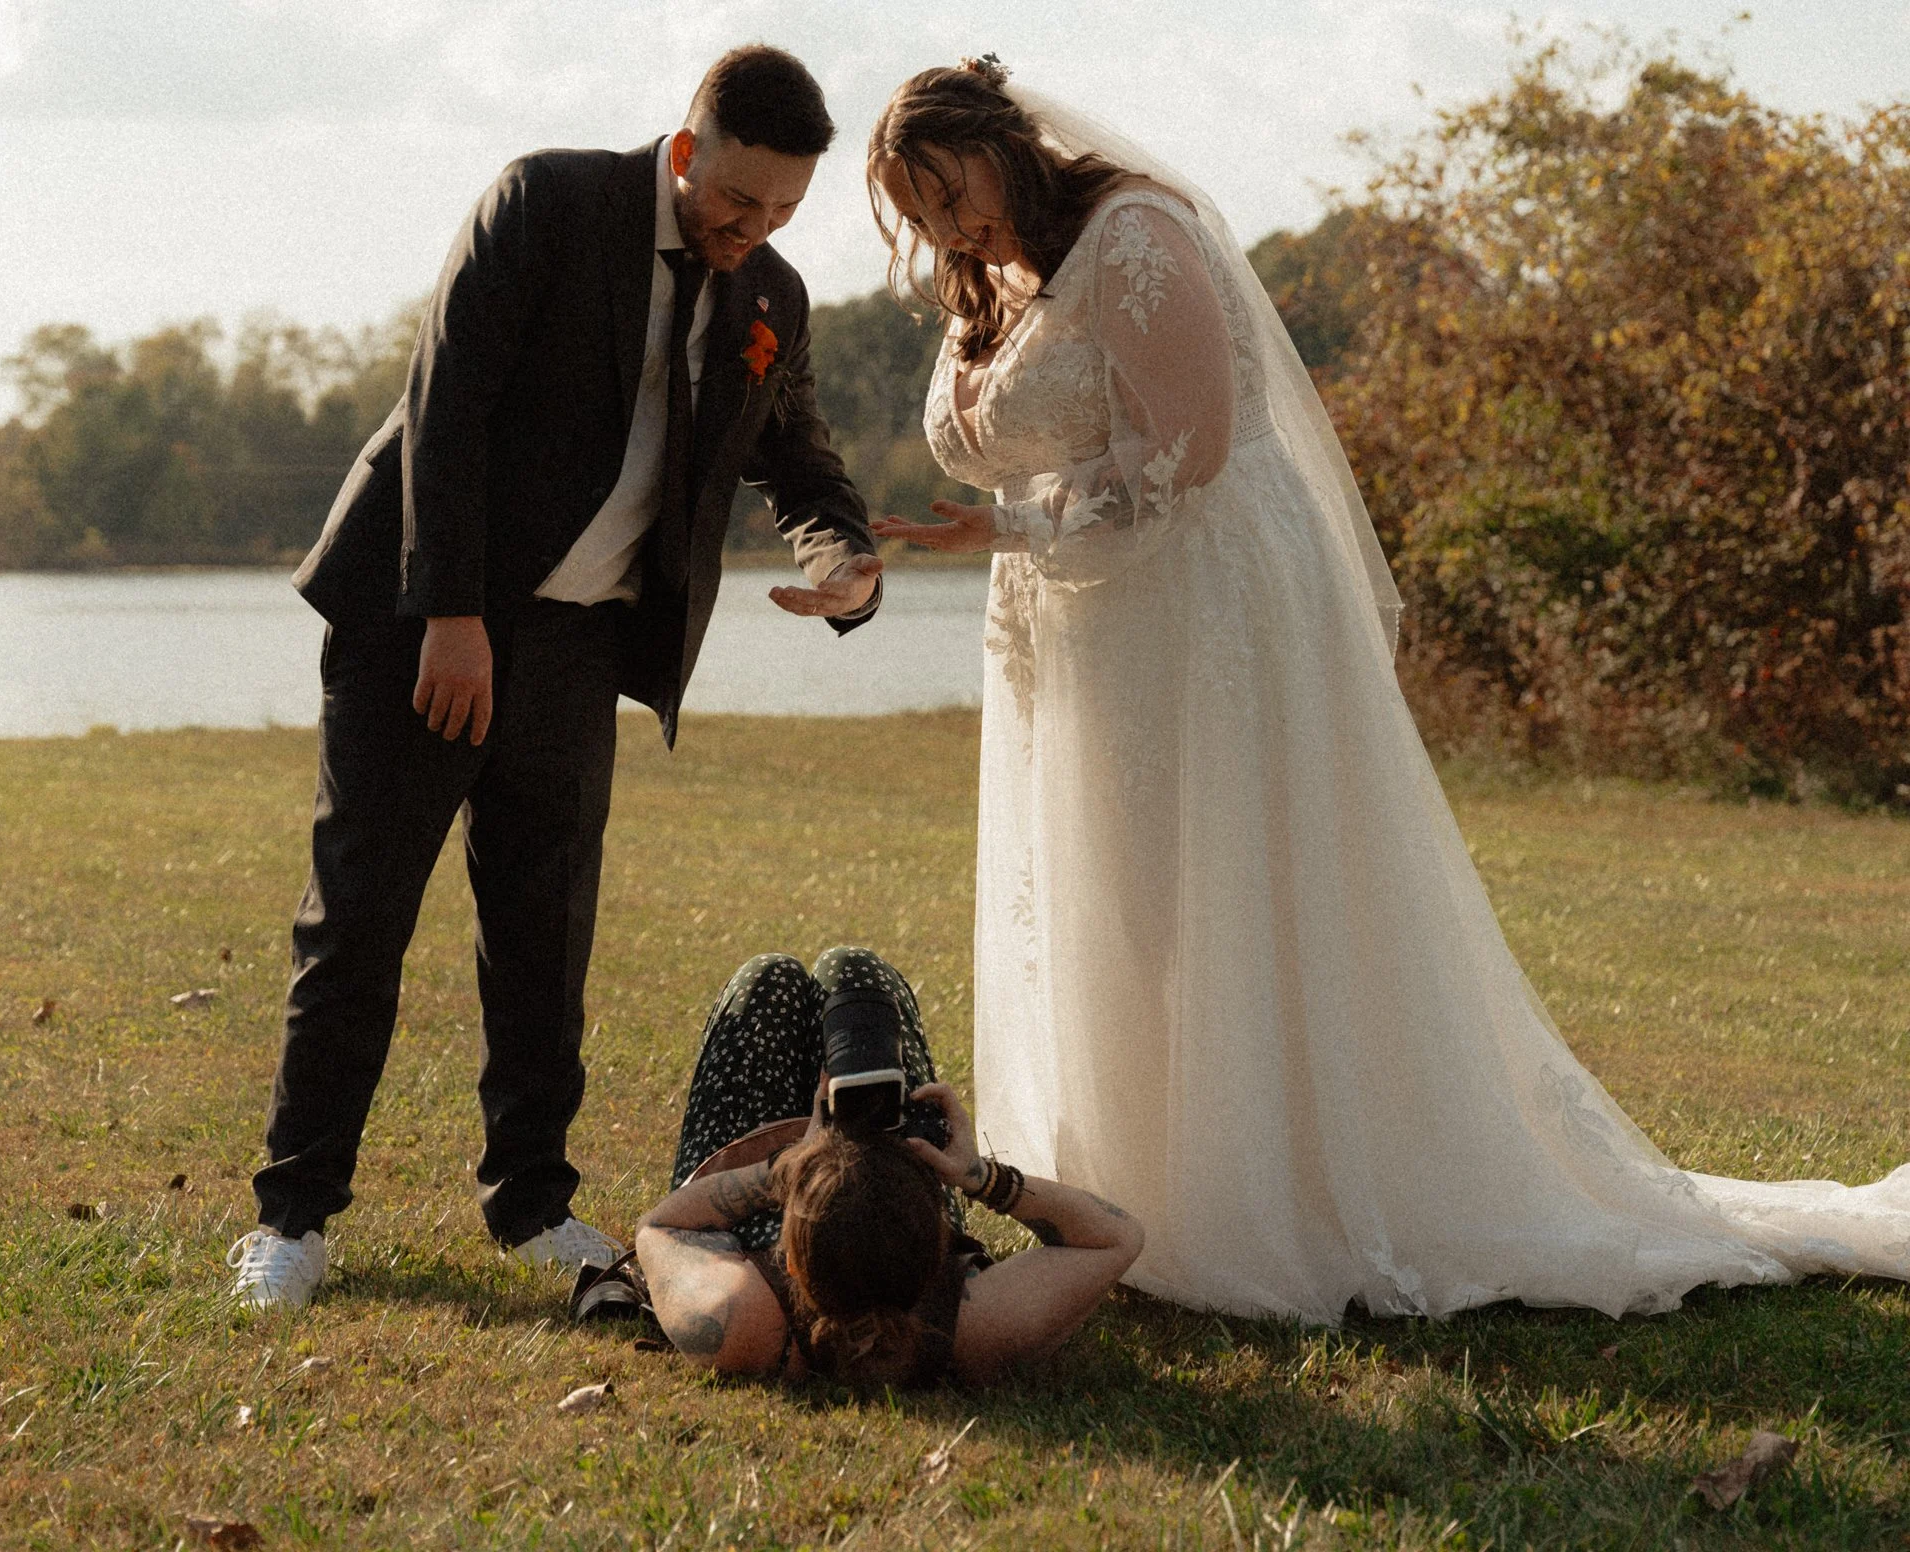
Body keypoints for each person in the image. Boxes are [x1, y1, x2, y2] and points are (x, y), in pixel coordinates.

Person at [865, 58, 1910, 1321]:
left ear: (1002, 143)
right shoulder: (1000, 279)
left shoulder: (1132, 234)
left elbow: (1188, 452)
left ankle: (1266, 1195)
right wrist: (979, 532)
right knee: (1124, 889)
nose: (944, 230)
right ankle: (1137, 1179)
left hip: (1203, 606)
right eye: (918, 217)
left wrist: (1008, 530)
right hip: (1080, 622)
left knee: (1229, 877)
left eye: (948, 193)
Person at [226, 46, 885, 1309]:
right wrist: (453, 614)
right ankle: (293, 1216)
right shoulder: (546, 200)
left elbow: (797, 461)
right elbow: (447, 404)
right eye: (738, 202)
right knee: (358, 917)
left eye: (786, 211)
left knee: (544, 937)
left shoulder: (771, 298)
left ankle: (530, 1204)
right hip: (421, 622)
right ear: (686, 151)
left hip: (582, 646)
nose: (754, 231)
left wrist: (843, 558)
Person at [632, 949, 1143, 1385]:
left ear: (790, 1263)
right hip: (852, 1210)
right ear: (939, 1252)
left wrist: (785, 1170)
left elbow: (661, 1225)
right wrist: (979, 1177)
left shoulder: (745, 1323)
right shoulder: (974, 1327)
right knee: (855, 974)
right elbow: (1116, 1237)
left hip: (751, 1206)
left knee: (766, 980)